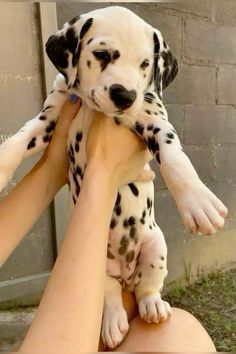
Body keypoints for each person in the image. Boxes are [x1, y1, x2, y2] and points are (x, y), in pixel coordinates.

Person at [0, 94, 216, 352]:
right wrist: (103, 174)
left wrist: (52, 167)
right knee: (179, 341)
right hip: (105, 256)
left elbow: (159, 125)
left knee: (178, 335)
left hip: (142, 243)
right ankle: (113, 295)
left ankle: (146, 290)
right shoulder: (72, 85)